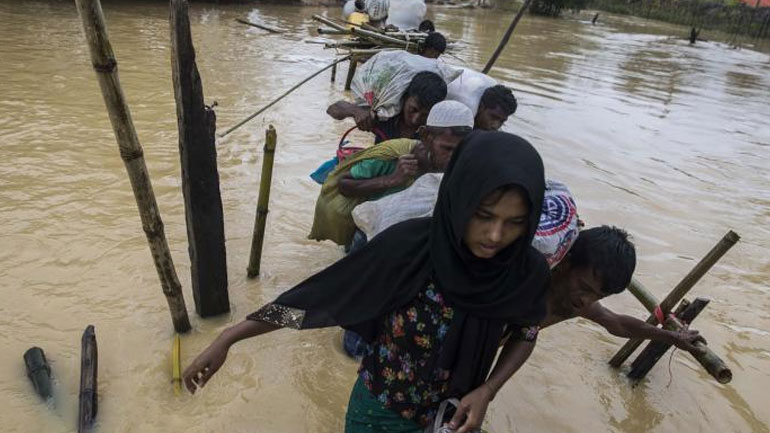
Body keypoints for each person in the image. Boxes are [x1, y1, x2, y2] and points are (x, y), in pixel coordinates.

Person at [183, 131, 550, 433]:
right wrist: (229, 337)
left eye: (515, 222)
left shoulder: (525, 269)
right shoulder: (409, 249)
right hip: (380, 414)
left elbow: (526, 332)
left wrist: (488, 389)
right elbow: (315, 301)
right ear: (460, 200)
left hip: (455, 418)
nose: (496, 235)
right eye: (483, 216)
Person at [310, 100, 473, 247]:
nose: (454, 157)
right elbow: (344, 185)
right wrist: (392, 180)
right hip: (367, 236)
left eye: (461, 150)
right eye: (447, 149)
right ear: (425, 136)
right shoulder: (393, 155)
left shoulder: (463, 165)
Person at [537, 226, 704, 353]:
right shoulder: (527, 280)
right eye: (584, 287)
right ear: (566, 263)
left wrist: (672, 337)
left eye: (598, 297)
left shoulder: (578, 304)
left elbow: (618, 323)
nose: (585, 300)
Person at [327, 71, 447, 144]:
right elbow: (333, 109)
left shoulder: (435, 132)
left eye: (425, 114)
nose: (416, 119)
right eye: (413, 110)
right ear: (404, 98)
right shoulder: (386, 115)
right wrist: (356, 111)